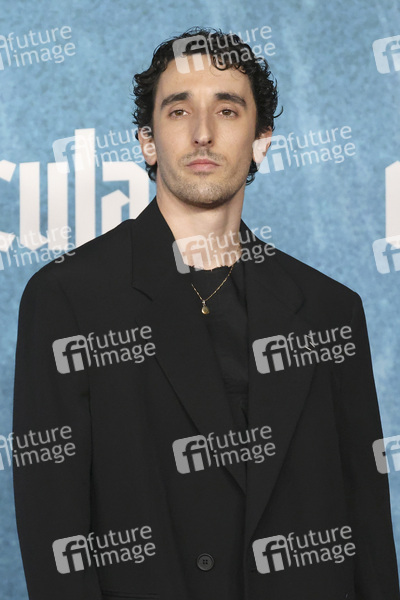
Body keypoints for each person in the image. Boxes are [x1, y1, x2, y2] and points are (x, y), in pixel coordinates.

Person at [13, 26, 400, 600]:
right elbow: (56, 535)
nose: (202, 133)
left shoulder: (330, 310)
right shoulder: (66, 299)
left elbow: (368, 532)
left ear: (262, 141)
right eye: (178, 111)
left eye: (226, 110)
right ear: (147, 142)